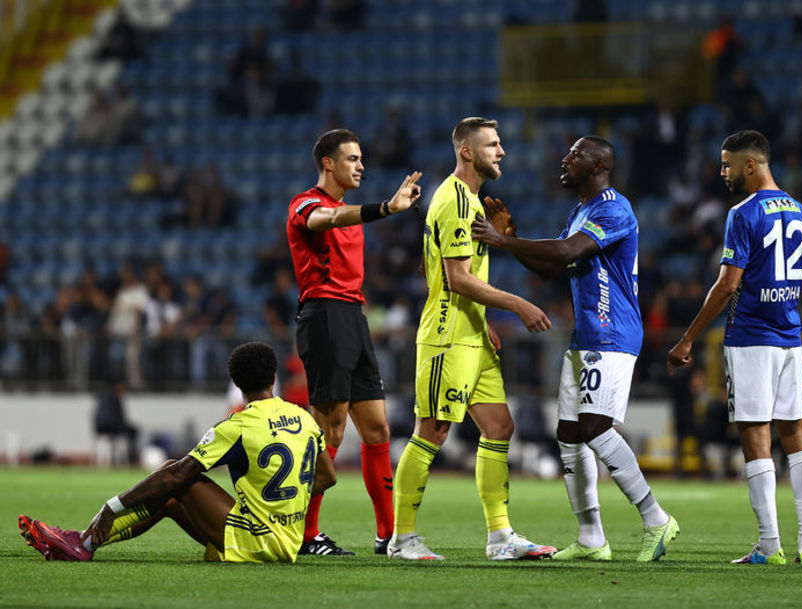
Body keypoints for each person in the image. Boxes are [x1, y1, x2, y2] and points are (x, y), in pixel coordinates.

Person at [471, 136, 679, 562]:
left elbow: (568, 250)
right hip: (586, 335)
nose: (565, 159)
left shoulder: (614, 208)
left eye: (576, 155)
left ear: (599, 165)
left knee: (596, 428)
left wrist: (503, 243)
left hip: (612, 333)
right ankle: (591, 538)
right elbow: (552, 268)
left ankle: (656, 518)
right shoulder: (580, 211)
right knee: (569, 435)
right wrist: (512, 237)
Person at [387, 116, 555, 561]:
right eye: (492, 145)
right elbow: (456, 279)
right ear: (467, 151)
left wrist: (483, 320)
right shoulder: (455, 200)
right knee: (433, 431)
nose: (501, 151)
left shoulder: (470, 201)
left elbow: (434, 267)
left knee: (500, 427)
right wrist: (517, 305)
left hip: (473, 334)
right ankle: (402, 539)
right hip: (447, 335)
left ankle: (501, 538)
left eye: (500, 144)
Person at [18, 342, 335, 563]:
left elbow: (178, 473)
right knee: (169, 500)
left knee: (174, 474)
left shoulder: (237, 426)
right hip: (289, 541)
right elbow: (328, 477)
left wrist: (112, 506)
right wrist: (287, 506)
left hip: (258, 541)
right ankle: (83, 543)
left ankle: (82, 542)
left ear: (237, 385)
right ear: (274, 378)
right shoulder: (303, 417)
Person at [668, 130, 802, 565]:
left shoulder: (743, 213)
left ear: (750, 165)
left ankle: (770, 546)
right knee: (795, 434)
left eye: (727, 164)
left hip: (752, 338)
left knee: (756, 437)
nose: (722, 172)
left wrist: (687, 338)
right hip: (790, 339)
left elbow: (727, 285)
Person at [287, 128, 422, 555]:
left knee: (377, 428)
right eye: (352, 158)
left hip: (352, 317)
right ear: (328, 163)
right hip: (324, 316)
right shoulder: (306, 203)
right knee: (330, 429)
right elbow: (322, 220)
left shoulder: (347, 211)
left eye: (361, 158)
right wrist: (386, 208)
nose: (361, 165)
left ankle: (389, 535)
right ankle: (305, 534)